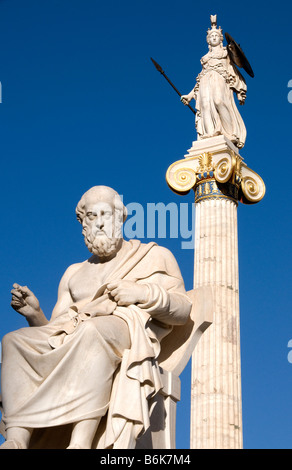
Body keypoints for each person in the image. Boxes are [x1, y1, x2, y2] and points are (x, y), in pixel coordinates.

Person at [0, 185, 192, 449]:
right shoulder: (74, 273)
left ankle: (80, 442)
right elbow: (56, 335)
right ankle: (17, 439)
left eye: (105, 214)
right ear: (83, 225)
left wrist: (141, 292)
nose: (100, 223)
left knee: (91, 331)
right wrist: (35, 315)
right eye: (92, 216)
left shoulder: (153, 256)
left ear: (119, 218)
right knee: (13, 341)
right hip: (78, 332)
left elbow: (183, 309)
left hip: (122, 332)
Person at [181, 15, 247, 149]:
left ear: (221, 38)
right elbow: (200, 79)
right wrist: (189, 95)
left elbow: (239, 63)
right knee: (205, 105)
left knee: (219, 101)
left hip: (220, 78)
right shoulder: (205, 58)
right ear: (208, 40)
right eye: (211, 37)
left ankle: (230, 133)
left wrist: (234, 51)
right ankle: (210, 134)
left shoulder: (225, 51)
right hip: (206, 81)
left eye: (216, 36)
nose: (214, 38)